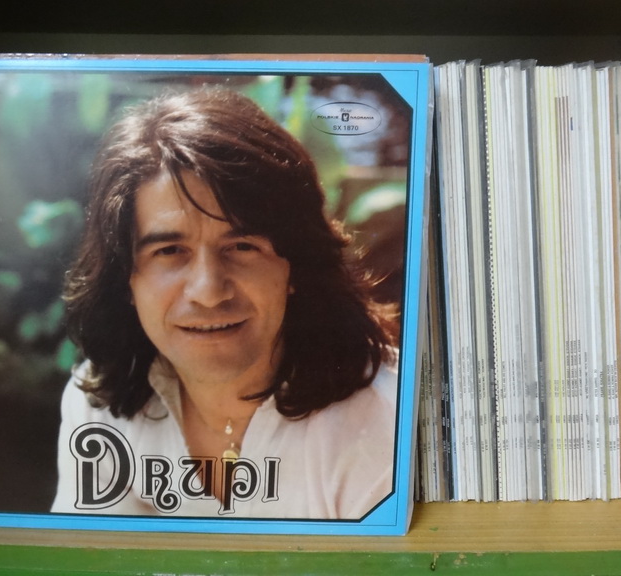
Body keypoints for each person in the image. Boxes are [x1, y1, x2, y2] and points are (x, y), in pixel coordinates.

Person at [51, 86, 399, 519]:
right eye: (169, 251)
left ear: (295, 266)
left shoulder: (383, 425)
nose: (209, 291)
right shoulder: (99, 406)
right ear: (125, 279)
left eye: (241, 247)